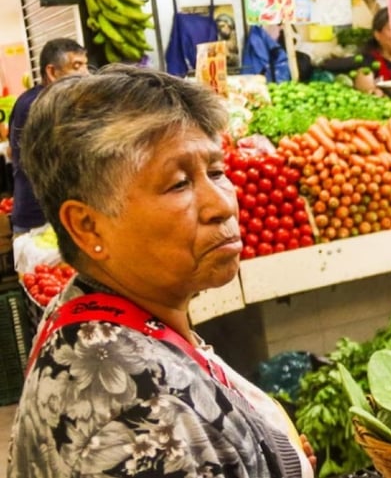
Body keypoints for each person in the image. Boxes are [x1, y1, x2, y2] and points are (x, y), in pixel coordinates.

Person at [6, 65, 316, 477]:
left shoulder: (97, 312)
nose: (222, 205)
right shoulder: (137, 421)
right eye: (178, 184)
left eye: (217, 172)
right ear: (87, 225)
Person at [9, 38, 89, 236]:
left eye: (85, 65)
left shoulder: (27, 99)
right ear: (52, 72)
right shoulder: (42, 106)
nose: (85, 74)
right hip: (41, 221)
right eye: (76, 66)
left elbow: (12, 152)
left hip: (39, 213)